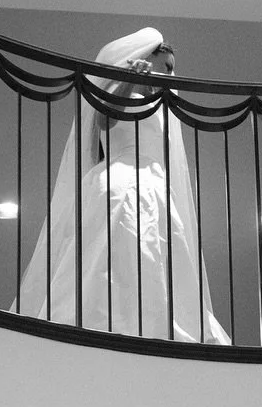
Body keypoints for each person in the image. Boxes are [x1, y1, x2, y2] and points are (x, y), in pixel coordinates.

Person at [15, 28, 230, 343]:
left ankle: (152, 325)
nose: (172, 74)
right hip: (121, 181)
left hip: (155, 187)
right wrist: (129, 80)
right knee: (113, 249)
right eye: (166, 66)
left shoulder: (162, 104)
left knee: (152, 257)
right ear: (145, 59)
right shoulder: (121, 89)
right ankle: (104, 323)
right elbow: (106, 119)